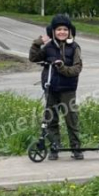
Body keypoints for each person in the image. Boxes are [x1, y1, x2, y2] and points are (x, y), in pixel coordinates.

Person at [29, 14, 83, 160]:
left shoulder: (74, 47)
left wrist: (62, 67)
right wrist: (37, 43)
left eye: (65, 29)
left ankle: (76, 148)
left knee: (71, 118)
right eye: (58, 29)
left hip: (68, 89)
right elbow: (34, 58)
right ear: (52, 31)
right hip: (50, 88)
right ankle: (54, 147)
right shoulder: (48, 47)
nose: (62, 32)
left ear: (70, 31)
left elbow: (77, 69)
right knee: (51, 119)